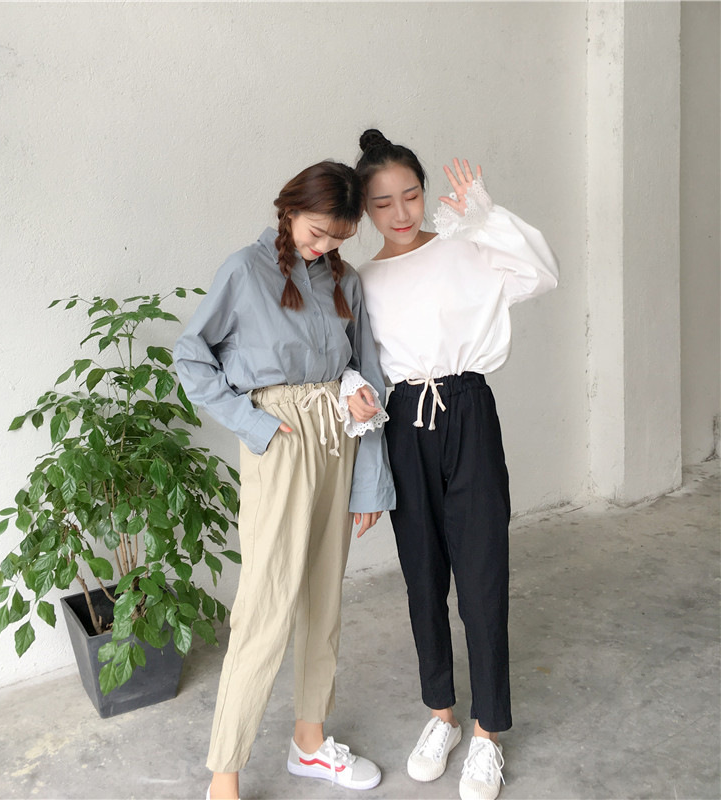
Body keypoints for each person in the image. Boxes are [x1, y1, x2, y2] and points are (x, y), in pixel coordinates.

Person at [174, 160, 395, 800]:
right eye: (318, 231)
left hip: (339, 440)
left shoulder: (345, 281)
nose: (324, 246)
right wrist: (253, 424)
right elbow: (191, 356)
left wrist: (369, 481)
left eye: (338, 238)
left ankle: (309, 741)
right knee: (265, 606)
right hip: (281, 440)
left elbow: (367, 374)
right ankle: (225, 774)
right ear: (291, 210)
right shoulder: (245, 271)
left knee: (325, 601)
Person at [353, 129, 558, 800]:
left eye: (411, 195)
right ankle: (439, 714)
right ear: (365, 210)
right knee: (422, 579)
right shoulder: (363, 281)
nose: (401, 212)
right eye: (383, 203)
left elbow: (540, 275)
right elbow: (354, 364)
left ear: (424, 193)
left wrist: (483, 216)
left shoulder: (462, 246)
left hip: (467, 408)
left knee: (482, 577)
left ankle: (487, 732)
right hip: (401, 421)